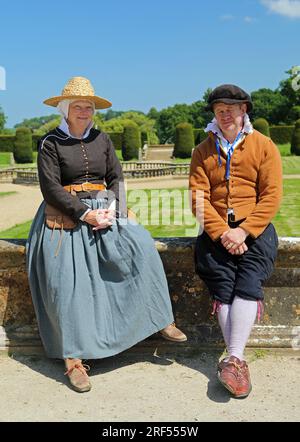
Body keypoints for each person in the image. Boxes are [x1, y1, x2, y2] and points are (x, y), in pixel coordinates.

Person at [26, 76, 187, 393]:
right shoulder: (50, 143)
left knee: (142, 247)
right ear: (65, 109)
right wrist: (85, 213)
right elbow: (50, 187)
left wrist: (112, 210)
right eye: (78, 107)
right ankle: (73, 361)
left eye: (89, 107)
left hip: (107, 209)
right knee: (65, 282)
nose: (84, 112)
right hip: (66, 214)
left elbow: (117, 178)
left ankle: (159, 320)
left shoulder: (102, 139)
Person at [189, 84, 282, 398]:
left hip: (255, 230)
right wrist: (221, 232)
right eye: (219, 109)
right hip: (216, 232)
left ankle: (234, 358)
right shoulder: (202, 150)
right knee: (224, 287)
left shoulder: (264, 145)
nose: (225, 114)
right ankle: (236, 360)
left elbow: (271, 197)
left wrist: (244, 231)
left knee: (248, 282)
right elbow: (198, 200)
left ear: (244, 110)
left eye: (231, 108)